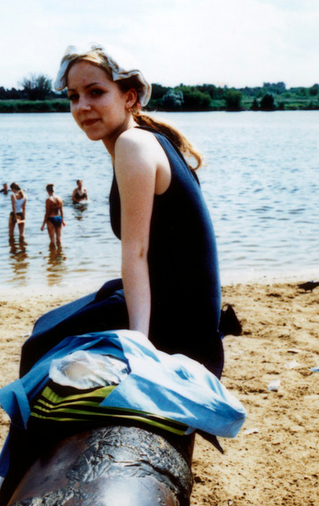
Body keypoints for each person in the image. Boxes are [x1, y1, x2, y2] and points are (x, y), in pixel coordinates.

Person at [22, 43, 223, 378]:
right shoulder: (145, 139)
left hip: (180, 323)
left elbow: (137, 252)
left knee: (38, 349)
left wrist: (138, 344)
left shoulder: (133, 145)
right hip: (182, 305)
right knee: (48, 323)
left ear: (129, 98)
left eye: (95, 92)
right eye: (73, 96)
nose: (82, 107)